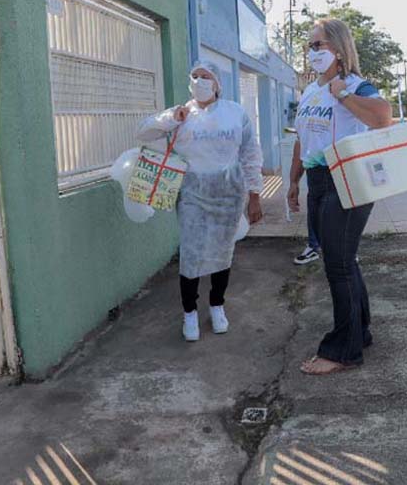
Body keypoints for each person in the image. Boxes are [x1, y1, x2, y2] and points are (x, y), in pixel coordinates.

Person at [287, 19, 393, 375]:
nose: (312, 51)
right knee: (343, 259)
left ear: (338, 47)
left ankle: (343, 350)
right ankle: (359, 331)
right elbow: (302, 138)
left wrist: (344, 94)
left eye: (318, 45)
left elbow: (383, 117)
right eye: (310, 46)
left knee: (339, 264)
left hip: (347, 176)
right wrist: (294, 180)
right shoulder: (310, 90)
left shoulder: (357, 85)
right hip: (318, 178)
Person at [137, 61, 264, 342]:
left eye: (205, 76)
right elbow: (143, 133)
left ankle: (217, 305)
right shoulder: (182, 114)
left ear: (217, 83)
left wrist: (255, 194)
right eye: (194, 76)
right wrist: (170, 119)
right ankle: (190, 312)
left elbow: (250, 153)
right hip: (192, 194)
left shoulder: (235, 113)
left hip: (228, 194)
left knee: (222, 251)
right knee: (191, 254)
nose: (199, 81)